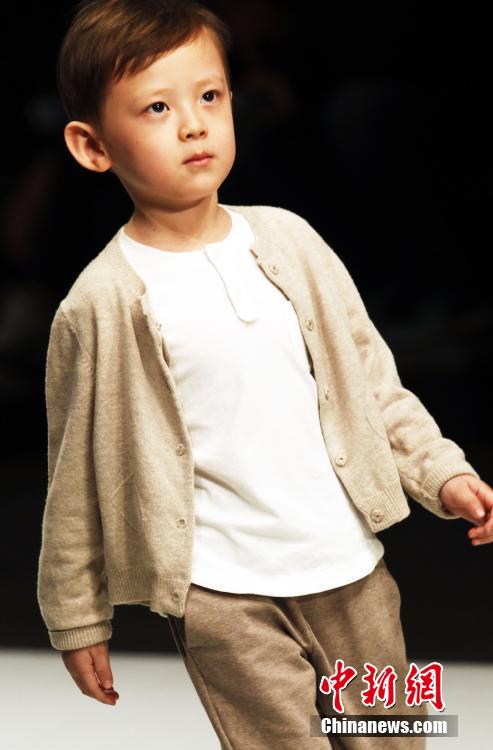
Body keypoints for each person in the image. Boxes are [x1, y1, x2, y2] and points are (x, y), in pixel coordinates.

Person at [36, 1, 493, 748]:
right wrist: (76, 615)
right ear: (92, 146)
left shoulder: (292, 241)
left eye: (209, 96)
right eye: (157, 108)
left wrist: (441, 472)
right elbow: (76, 471)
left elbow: (370, 384)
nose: (194, 125)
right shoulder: (100, 303)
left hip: (350, 569)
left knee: (392, 739)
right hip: (221, 593)